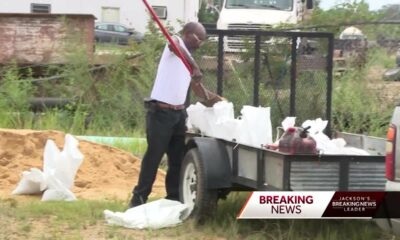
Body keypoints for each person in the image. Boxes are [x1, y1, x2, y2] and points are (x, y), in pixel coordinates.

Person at [129, 22, 221, 207]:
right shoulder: (175, 44)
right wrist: (194, 66)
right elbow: (175, 46)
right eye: (198, 39)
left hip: (178, 114)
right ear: (188, 34)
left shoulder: (188, 58)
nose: (200, 44)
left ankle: (173, 199)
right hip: (160, 113)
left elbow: (196, 87)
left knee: (177, 159)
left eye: (203, 40)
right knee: (154, 157)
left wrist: (214, 100)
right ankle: (138, 200)